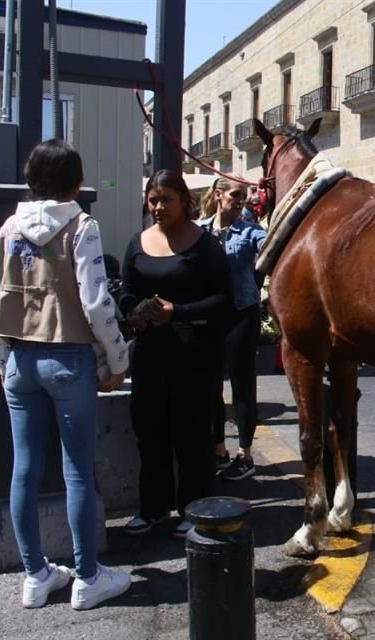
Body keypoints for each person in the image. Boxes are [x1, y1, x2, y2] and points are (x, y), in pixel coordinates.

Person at [0, 139, 132, 609]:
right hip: (67, 356)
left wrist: (1, 355)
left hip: (18, 358)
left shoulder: (10, 227)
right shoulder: (81, 225)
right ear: (75, 181)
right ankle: (87, 577)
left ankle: (35, 575)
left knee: (24, 469)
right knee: (77, 471)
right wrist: (116, 358)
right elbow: (95, 301)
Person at [120, 170, 232, 538]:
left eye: (166, 199)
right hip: (150, 353)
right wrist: (133, 311)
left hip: (193, 355)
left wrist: (178, 312)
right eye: (153, 199)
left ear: (184, 201)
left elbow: (222, 300)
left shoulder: (206, 246)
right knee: (149, 431)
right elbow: (125, 291)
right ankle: (152, 507)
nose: (158, 207)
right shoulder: (138, 242)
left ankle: (194, 506)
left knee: (192, 435)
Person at [198, 177, 268, 481]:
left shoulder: (252, 231)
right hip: (210, 316)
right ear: (218, 195)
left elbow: (269, 250)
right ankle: (218, 449)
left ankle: (245, 453)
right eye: (236, 195)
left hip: (242, 314)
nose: (241, 201)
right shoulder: (198, 230)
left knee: (242, 385)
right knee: (211, 385)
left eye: (244, 196)